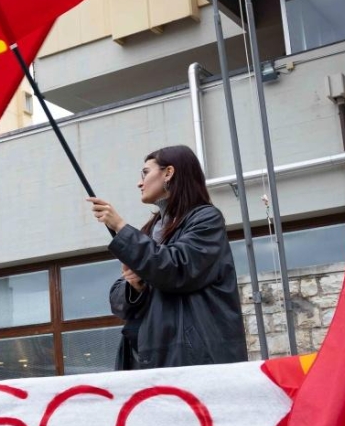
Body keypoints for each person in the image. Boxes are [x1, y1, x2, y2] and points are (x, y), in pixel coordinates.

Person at [88, 145, 247, 369]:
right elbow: (119, 303)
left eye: (145, 173)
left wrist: (121, 227)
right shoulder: (148, 230)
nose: (139, 183)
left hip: (191, 359)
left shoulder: (206, 219)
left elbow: (177, 269)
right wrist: (134, 286)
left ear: (168, 172)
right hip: (148, 359)